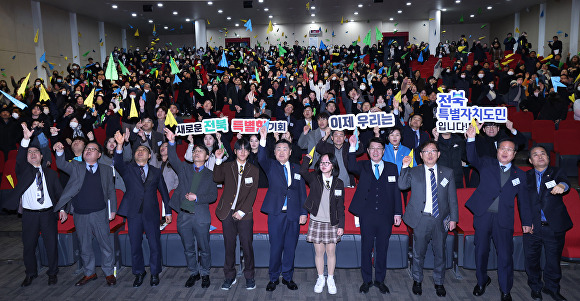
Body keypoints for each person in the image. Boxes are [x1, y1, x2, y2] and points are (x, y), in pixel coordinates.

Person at [465, 123, 532, 301]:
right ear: (497, 151)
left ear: (514, 154)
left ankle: (505, 289)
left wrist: (526, 222)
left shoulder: (521, 175)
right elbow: (472, 158)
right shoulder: (487, 163)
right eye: (502, 148)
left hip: (504, 220)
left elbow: (524, 201)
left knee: (505, 255)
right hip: (483, 216)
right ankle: (481, 281)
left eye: (509, 149)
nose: (505, 151)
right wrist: (471, 138)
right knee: (481, 252)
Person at [3, 124, 63, 287]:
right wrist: (26, 140)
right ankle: (30, 273)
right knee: (29, 246)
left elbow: (59, 194)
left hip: (48, 214)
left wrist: (63, 208)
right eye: (30, 153)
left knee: (51, 245)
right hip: (29, 215)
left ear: (42, 157)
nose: (33, 154)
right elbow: (21, 157)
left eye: (36, 152)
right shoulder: (24, 171)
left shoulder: (50, 174)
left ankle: (52, 273)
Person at [398, 140, 458, 297]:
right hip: (421, 219)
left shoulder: (447, 172)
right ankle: (417, 280)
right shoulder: (414, 171)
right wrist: (405, 166)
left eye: (433, 151)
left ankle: (439, 282)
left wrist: (454, 218)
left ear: (438, 154)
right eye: (426, 151)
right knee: (418, 253)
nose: (430, 154)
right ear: (421, 155)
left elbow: (452, 198)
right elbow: (402, 185)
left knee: (440, 253)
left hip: (440, 219)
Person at [53, 140, 117, 287]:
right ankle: (89, 273)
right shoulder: (76, 167)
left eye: (92, 149)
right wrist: (59, 152)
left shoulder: (106, 169)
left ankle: (108, 273)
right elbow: (62, 164)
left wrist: (112, 209)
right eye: (87, 149)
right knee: (85, 245)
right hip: (80, 214)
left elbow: (111, 190)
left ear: (99, 154)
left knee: (105, 245)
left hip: (100, 213)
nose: (88, 151)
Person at [113, 131, 171, 287]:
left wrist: (168, 212)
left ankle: (154, 273)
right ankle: (139, 272)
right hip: (133, 213)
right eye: (138, 150)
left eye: (144, 150)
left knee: (154, 244)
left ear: (150, 156)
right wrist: (119, 145)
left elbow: (164, 193)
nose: (140, 152)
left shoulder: (156, 172)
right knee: (135, 244)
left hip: (151, 213)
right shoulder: (127, 169)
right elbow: (117, 163)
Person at [347, 136, 402, 294]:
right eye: (373, 149)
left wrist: (397, 212)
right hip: (367, 214)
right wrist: (352, 146)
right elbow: (351, 166)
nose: (376, 151)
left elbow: (396, 192)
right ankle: (366, 280)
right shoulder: (363, 166)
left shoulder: (392, 168)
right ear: (368, 151)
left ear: (384, 151)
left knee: (382, 249)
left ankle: (380, 280)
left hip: (386, 215)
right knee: (366, 247)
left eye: (379, 148)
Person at [165, 128, 217, 289]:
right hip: (184, 216)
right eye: (195, 151)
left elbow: (213, 196)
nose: (197, 153)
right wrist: (171, 141)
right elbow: (172, 158)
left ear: (207, 157)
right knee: (188, 248)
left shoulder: (210, 174)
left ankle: (205, 273)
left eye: (201, 151)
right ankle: (194, 273)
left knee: (204, 247)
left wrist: (198, 198)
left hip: (201, 216)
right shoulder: (185, 169)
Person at [258, 125, 307, 292]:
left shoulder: (297, 169)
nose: (281, 152)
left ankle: (287, 277)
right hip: (276, 214)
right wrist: (263, 139)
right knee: (276, 247)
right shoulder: (271, 166)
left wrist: (303, 212)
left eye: (284, 149)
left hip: (293, 214)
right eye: (278, 149)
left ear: (290, 152)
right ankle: (273, 278)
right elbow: (261, 158)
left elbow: (302, 193)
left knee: (290, 247)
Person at [524, 146, 572, 301]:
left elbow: (565, 182)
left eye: (543, 153)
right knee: (532, 260)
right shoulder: (526, 176)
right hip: (533, 227)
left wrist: (562, 186)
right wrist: (526, 222)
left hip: (553, 226)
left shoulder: (557, 172)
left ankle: (552, 288)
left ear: (548, 157)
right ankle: (535, 287)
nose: (540, 156)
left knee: (553, 261)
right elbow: (523, 203)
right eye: (535, 155)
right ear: (530, 161)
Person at [212, 138, 259, 290]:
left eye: (246, 149)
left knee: (247, 246)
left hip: (245, 214)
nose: (243, 152)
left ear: (249, 152)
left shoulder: (254, 170)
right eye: (240, 149)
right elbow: (217, 178)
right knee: (229, 246)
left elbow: (252, 194)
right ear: (235, 151)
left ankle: (250, 276)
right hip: (227, 212)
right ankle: (229, 276)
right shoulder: (227, 166)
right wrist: (217, 160)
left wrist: (241, 211)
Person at [300, 152, 345, 295]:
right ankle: (320, 278)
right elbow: (303, 171)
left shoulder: (339, 183)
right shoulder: (314, 178)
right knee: (319, 252)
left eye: (327, 163)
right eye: (321, 163)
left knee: (331, 252)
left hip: (332, 223)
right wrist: (307, 158)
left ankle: (330, 278)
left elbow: (340, 206)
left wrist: (341, 225)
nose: (324, 165)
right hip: (316, 221)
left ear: (333, 165)